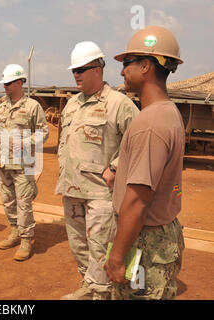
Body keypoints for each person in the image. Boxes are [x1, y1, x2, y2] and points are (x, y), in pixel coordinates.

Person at [104, 26, 185, 300]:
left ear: (146, 66)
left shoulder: (150, 123)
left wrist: (116, 257)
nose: (122, 71)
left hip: (146, 243)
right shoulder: (167, 112)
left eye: (127, 64)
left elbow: (138, 200)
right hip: (155, 237)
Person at [55, 42, 139, 300]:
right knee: (79, 246)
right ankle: (89, 285)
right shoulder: (71, 104)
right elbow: (63, 141)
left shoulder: (119, 104)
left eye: (82, 69)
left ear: (98, 68)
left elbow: (138, 141)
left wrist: (115, 167)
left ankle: (103, 294)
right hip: (72, 189)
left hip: (100, 194)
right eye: (74, 70)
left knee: (100, 247)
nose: (76, 75)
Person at [0, 64, 49, 261]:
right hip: (3, 164)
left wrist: (25, 142)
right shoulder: (2, 106)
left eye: (8, 83)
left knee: (24, 204)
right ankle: (15, 232)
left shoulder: (32, 107)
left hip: (23, 165)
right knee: (8, 201)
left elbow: (44, 133)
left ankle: (26, 239)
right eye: (4, 83)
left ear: (19, 82)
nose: (5, 87)